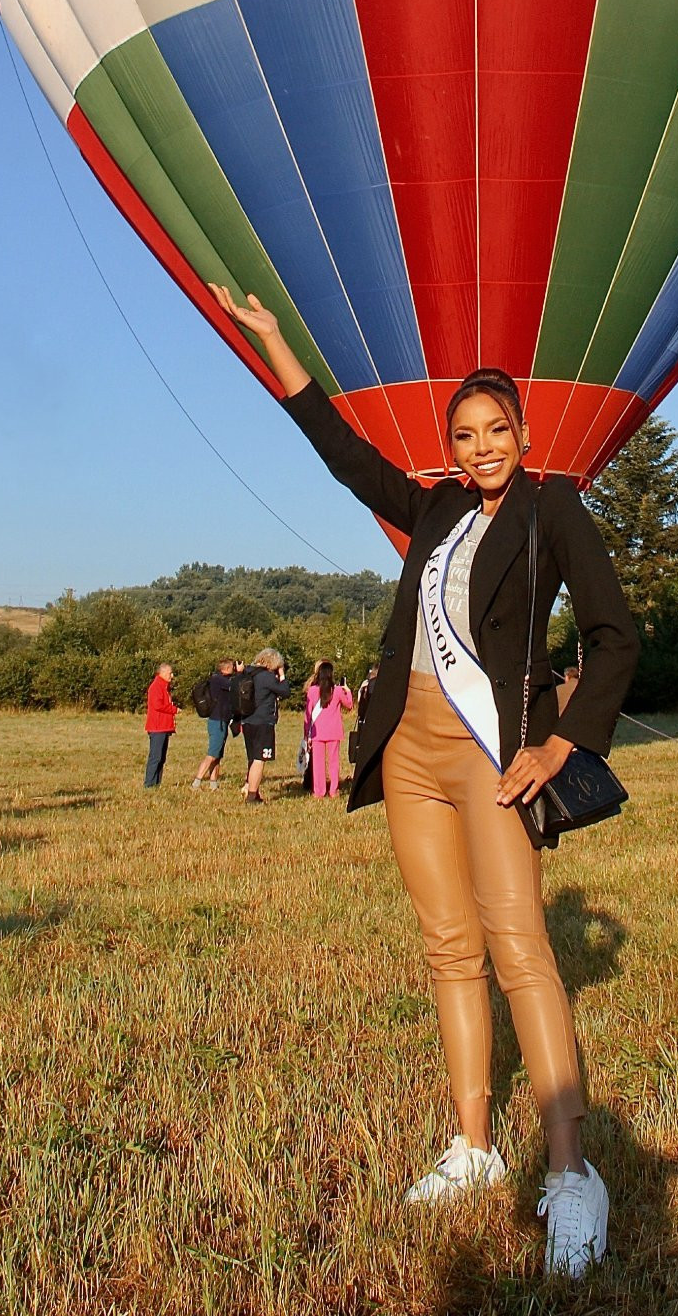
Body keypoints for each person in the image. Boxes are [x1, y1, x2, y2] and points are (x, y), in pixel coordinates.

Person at [210, 286, 639, 1278]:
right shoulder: (437, 504)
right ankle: (474, 1144)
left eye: (497, 429)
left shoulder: (554, 508)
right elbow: (346, 455)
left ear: (524, 433)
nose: (482, 444)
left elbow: (617, 635)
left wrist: (561, 743)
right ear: (449, 444)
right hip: (408, 746)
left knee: (522, 947)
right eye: (466, 432)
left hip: (497, 757)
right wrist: (280, 343)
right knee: (450, 948)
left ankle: (573, 1172)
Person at [237, 647, 301, 802]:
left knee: (252, 758)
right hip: (263, 722)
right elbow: (285, 692)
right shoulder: (266, 677)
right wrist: (282, 675)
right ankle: (252, 795)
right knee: (260, 759)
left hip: (247, 721)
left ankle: (253, 790)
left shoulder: (248, 673)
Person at [304, 660, 354, 799]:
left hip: (317, 732)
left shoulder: (312, 691)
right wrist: (348, 691)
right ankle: (333, 790)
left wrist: (305, 735)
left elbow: (307, 714)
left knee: (318, 764)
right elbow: (349, 705)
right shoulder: (337, 690)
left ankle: (319, 791)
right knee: (333, 762)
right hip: (334, 731)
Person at [190, 659, 240, 791]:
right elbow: (234, 686)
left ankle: (213, 783)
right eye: (231, 667)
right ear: (225, 669)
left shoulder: (223, 679)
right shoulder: (218, 679)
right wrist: (241, 674)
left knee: (217, 755)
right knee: (212, 754)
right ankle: (197, 782)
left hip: (221, 721)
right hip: (217, 722)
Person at [144, 664, 178, 787]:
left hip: (164, 726)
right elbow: (158, 705)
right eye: (170, 673)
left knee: (161, 758)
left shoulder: (164, 687)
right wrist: (174, 709)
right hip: (157, 727)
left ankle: (157, 783)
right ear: (162, 673)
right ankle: (149, 784)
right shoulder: (156, 687)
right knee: (155, 757)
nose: (172, 676)